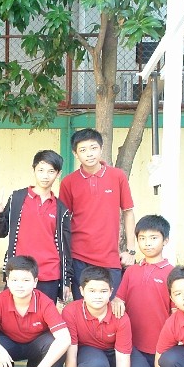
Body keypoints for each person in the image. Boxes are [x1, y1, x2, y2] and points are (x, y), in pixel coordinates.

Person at [62, 266, 156, 367]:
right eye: (92, 291)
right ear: (81, 291)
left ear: (111, 292)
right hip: (89, 353)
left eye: (103, 291)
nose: (97, 296)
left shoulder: (119, 314)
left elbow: (123, 356)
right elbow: (71, 356)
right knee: (95, 366)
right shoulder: (71, 312)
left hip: (114, 352)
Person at [0, 256, 71, 367]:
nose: (20, 285)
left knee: (55, 343)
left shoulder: (45, 303)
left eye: (26, 280)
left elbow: (64, 339)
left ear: (35, 282)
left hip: (36, 346)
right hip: (9, 344)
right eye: (15, 280)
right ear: (7, 281)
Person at [59, 128, 135, 299]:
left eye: (93, 148)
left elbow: (128, 212)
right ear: (75, 154)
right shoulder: (68, 182)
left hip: (109, 256)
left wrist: (131, 250)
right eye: (83, 150)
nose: (89, 154)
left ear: (101, 148)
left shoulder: (118, 176)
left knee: (111, 305)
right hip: (78, 256)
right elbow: (63, 221)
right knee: (83, 305)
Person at [0, 149, 72, 303]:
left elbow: (66, 247)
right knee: (13, 315)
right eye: (41, 170)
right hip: (19, 272)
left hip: (49, 274)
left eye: (51, 171)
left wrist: (66, 280)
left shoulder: (61, 209)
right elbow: (1, 232)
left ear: (58, 174)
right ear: (33, 170)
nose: (45, 176)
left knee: (44, 315)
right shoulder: (17, 198)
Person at [111, 215, 173, 367]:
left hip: (161, 347)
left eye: (153, 238)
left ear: (165, 240)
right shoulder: (131, 271)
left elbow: (177, 313)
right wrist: (116, 301)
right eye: (142, 238)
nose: (147, 243)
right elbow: (119, 298)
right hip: (133, 347)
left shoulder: (172, 273)